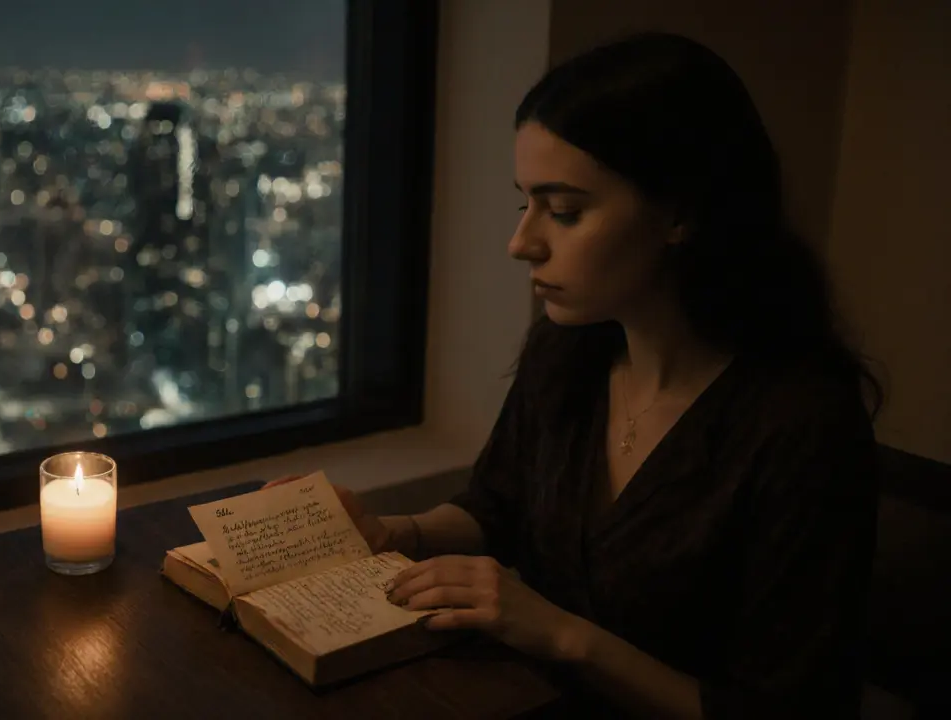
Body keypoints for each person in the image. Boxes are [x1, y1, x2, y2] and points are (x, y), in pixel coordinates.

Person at [267, 32, 881, 719]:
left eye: (564, 211)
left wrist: (563, 635)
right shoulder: (573, 352)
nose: (522, 242)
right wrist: (393, 533)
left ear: (682, 211)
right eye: (523, 204)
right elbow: (497, 509)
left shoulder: (800, 426)